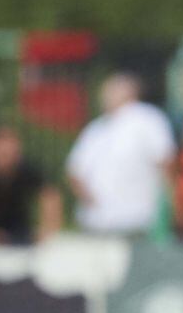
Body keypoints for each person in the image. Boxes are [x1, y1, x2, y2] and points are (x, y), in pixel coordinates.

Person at [66, 72, 176, 236]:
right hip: (97, 223)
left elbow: (166, 162)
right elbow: (74, 172)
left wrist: (172, 206)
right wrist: (93, 202)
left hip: (138, 221)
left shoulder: (147, 119)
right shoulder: (96, 128)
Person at [0, 125, 61, 245]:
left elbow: (50, 196)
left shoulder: (27, 170)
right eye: (1, 153)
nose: (5, 158)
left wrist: (47, 229)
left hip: (18, 229)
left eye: (9, 153)